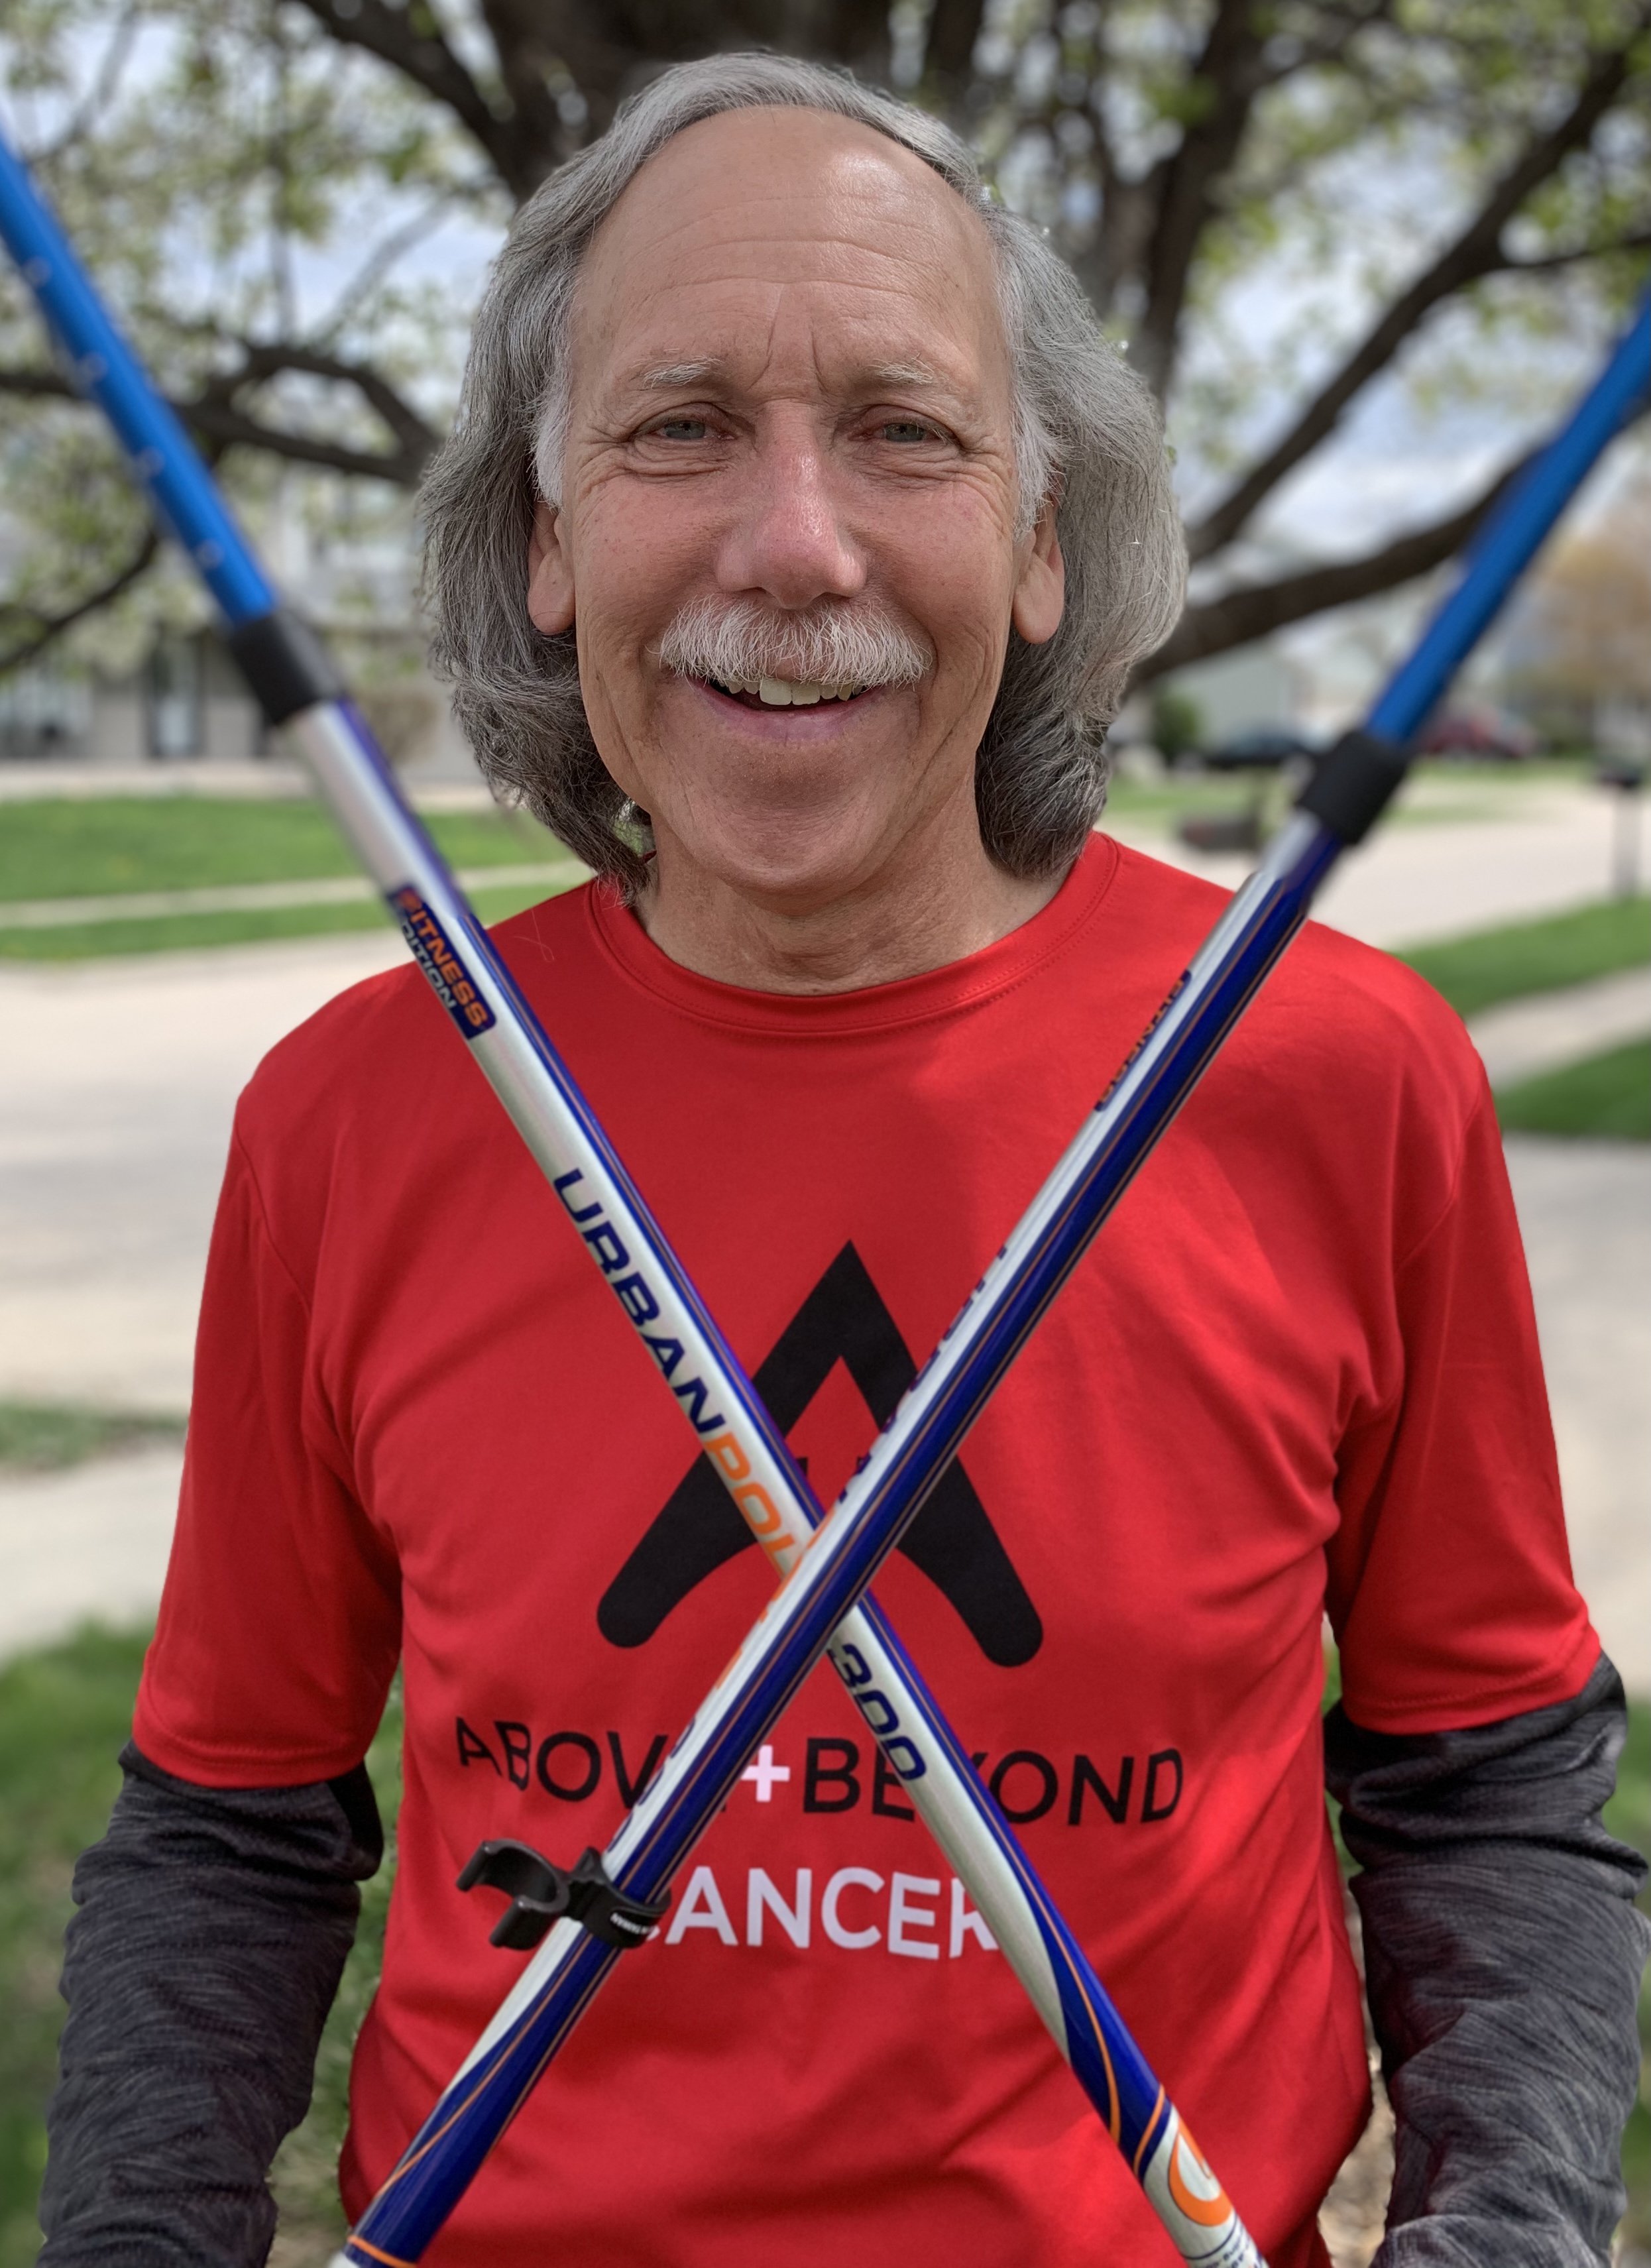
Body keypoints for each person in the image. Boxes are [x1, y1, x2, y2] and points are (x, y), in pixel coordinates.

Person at [40, 54, 1647, 2268]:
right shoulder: (355, 1110)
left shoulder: (1333, 1074)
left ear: (1040, 534)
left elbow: (1485, 1789)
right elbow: (228, 1828)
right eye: (677, 427)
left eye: (903, 432)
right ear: (540, 533)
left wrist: (1508, 2234)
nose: (790, 549)